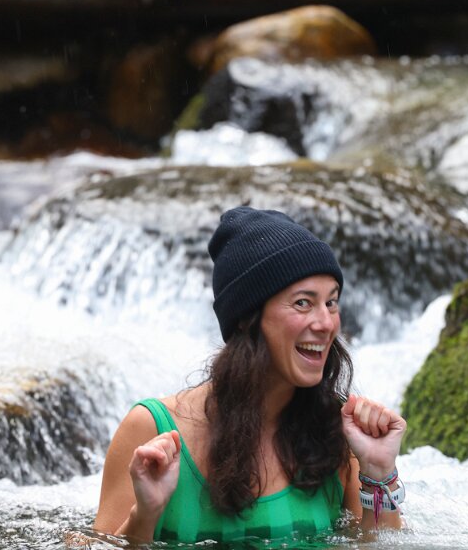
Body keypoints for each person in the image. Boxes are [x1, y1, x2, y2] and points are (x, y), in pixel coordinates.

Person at [94, 206, 407, 543]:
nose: (326, 323)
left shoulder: (339, 433)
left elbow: (379, 545)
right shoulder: (151, 431)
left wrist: (379, 474)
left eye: (331, 302)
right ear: (247, 318)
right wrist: (145, 514)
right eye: (303, 303)